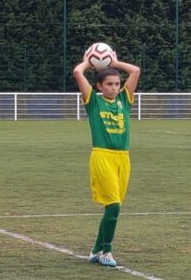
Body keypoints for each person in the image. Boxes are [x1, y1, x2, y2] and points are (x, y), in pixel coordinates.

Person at [73, 52, 140, 268]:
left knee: (114, 206)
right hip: (102, 157)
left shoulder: (124, 100)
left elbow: (135, 71)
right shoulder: (93, 102)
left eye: (117, 84)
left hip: (123, 159)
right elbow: (77, 72)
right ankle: (107, 251)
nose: (114, 87)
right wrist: (89, 62)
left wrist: (114, 62)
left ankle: (95, 250)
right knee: (113, 206)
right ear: (100, 86)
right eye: (109, 84)